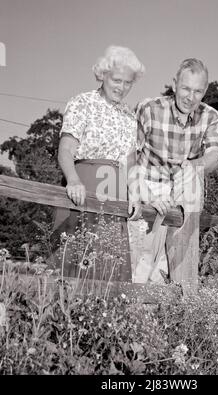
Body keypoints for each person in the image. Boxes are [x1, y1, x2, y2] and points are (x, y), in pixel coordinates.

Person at [50, 45, 145, 281]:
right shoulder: (82, 103)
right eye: (117, 80)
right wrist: (73, 180)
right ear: (102, 74)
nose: (121, 87)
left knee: (109, 267)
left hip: (114, 192)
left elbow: (130, 162)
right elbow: (66, 150)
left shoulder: (129, 116)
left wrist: (134, 193)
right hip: (83, 185)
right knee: (74, 262)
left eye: (128, 83)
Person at [130, 58, 218, 283]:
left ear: (205, 90)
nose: (191, 97)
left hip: (179, 190)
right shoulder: (149, 108)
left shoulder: (210, 116)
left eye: (198, 91)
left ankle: (182, 278)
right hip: (147, 184)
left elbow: (215, 155)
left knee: (162, 275)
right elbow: (129, 155)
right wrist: (143, 193)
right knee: (139, 267)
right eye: (186, 88)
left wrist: (195, 165)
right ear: (174, 84)